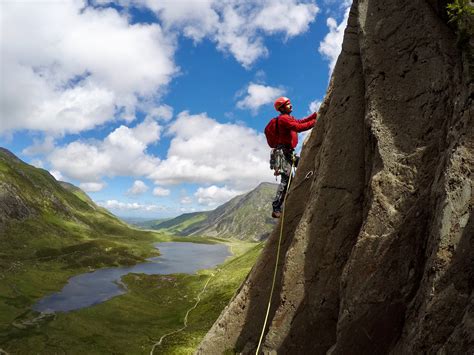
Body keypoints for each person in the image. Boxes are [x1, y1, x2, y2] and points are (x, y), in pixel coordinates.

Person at [266, 97, 317, 218]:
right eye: (288, 104)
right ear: (282, 108)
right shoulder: (284, 119)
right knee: (286, 179)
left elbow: (299, 122)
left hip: (287, 152)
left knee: (304, 165)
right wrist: (316, 122)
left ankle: (293, 197)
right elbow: (299, 128)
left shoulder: (288, 118)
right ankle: (276, 208)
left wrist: (315, 115)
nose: (291, 106)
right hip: (283, 153)